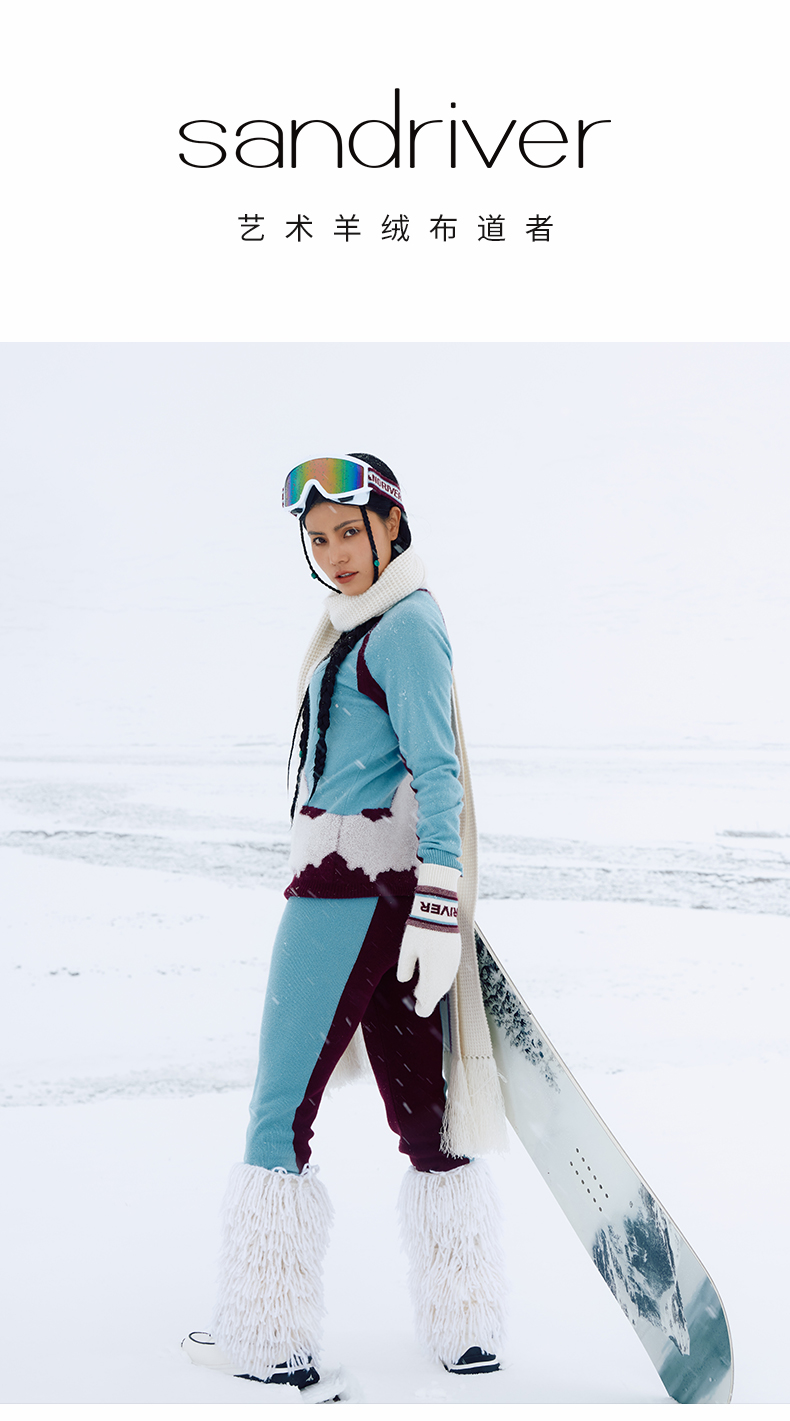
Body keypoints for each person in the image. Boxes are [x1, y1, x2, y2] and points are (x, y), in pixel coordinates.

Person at [182, 454, 508, 1397]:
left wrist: (440, 905)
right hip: (389, 897)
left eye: (349, 533)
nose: (334, 554)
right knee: (423, 1111)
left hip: (342, 892)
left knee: (278, 1108)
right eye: (318, 539)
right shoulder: (368, 623)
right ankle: (466, 1327)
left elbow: (439, 772)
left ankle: (266, 1335)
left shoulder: (403, 624)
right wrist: (425, 907)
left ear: (391, 525)